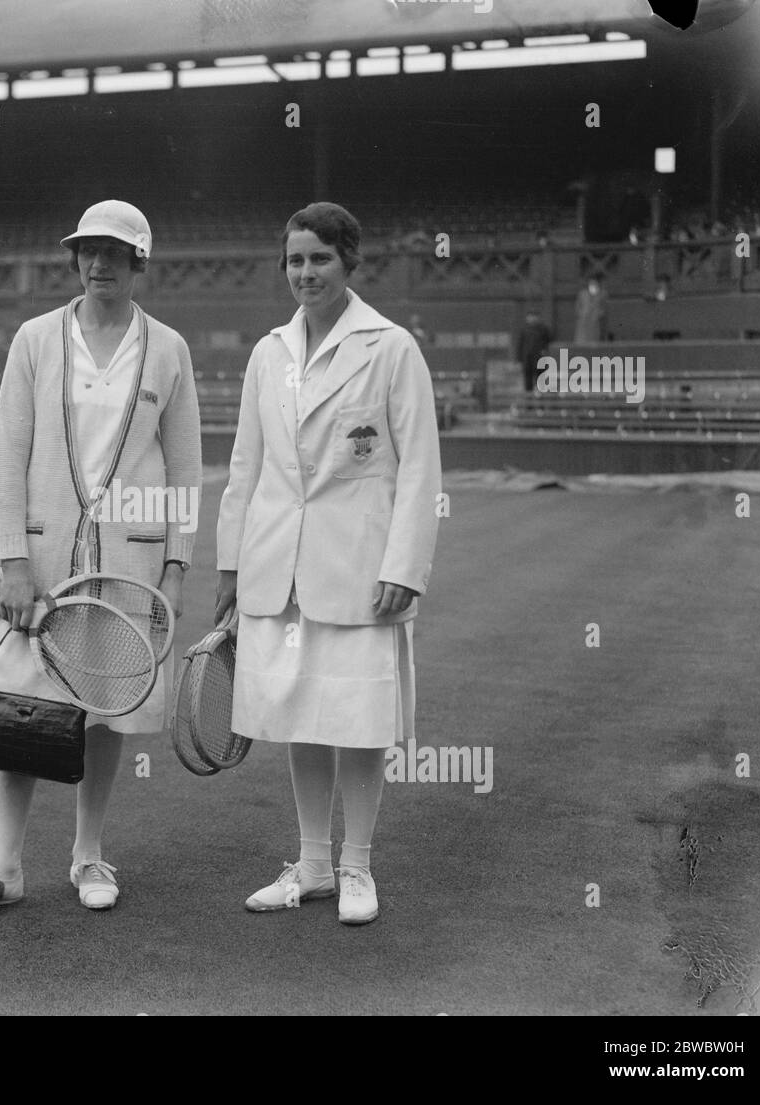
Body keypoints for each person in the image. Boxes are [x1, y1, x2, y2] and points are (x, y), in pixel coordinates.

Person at [0, 200, 203, 922]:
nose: (99, 263)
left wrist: (176, 570)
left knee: (108, 713)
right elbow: (9, 458)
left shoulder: (170, 349)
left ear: (138, 261)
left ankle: (89, 854)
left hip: (130, 569)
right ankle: (4, 868)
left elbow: (185, 471)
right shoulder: (32, 339)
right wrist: (10, 561)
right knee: (22, 708)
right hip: (44, 565)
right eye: (88, 250)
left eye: (115, 252)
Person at [215, 202, 441, 926]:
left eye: (318, 258)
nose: (305, 272)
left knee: (360, 719)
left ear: (349, 262)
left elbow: (420, 470)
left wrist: (403, 564)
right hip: (277, 569)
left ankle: (357, 867)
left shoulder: (391, 347)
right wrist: (230, 565)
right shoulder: (267, 353)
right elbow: (244, 466)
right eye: (294, 260)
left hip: (361, 570)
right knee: (300, 714)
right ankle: (312, 864)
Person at [516, 310, 552, 392]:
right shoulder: (524, 329)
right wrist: (519, 358)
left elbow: (549, 342)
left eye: (534, 316)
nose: (532, 319)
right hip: (527, 359)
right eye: (530, 316)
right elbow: (520, 344)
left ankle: (541, 402)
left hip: (540, 359)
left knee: (541, 381)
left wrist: (545, 352)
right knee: (528, 383)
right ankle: (529, 403)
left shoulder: (543, 329)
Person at [573, 275, 607, 343]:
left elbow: (604, 307)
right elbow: (577, 306)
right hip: (583, 319)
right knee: (582, 338)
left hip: (595, 320)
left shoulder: (602, 294)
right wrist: (581, 314)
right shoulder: (582, 293)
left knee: (594, 338)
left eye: (595, 283)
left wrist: (599, 314)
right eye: (591, 283)